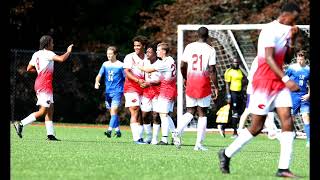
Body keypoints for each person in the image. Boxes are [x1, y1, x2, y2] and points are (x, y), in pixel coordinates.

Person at [218, 2, 301, 178]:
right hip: (264, 83)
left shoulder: (288, 30)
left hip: (278, 83)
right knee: (256, 127)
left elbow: (286, 57)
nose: (296, 22)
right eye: (294, 18)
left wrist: (292, 41)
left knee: (288, 121)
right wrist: (287, 79)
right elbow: (270, 58)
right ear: (285, 15)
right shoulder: (269, 30)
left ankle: (283, 168)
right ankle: (226, 154)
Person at [13, 35, 73, 141]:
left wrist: (40, 72)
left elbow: (28, 68)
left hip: (41, 83)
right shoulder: (48, 53)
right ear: (48, 44)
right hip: (44, 85)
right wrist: (68, 51)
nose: (53, 44)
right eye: (52, 42)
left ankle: (50, 135)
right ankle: (21, 124)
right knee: (43, 111)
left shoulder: (36, 53)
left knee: (50, 109)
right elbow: (62, 59)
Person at [174, 26, 219, 151]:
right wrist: (215, 86)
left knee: (190, 111)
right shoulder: (210, 49)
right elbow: (212, 70)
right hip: (203, 82)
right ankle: (198, 144)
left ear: (197, 35)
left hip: (191, 81)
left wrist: (185, 78)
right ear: (207, 35)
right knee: (202, 113)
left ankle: (177, 131)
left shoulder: (189, 47)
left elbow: (182, 65)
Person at [139, 42, 177, 145]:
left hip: (166, 90)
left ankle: (165, 139)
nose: (156, 52)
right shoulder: (170, 60)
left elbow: (148, 69)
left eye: (158, 50)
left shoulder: (165, 63)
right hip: (170, 89)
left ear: (163, 51)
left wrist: (137, 66)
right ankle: (175, 136)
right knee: (165, 115)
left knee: (163, 115)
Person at [238, 57, 279, 140]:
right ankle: (239, 130)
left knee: (265, 109)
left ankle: (271, 131)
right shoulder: (260, 59)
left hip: (261, 88)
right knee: (248, 110)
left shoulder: (265, 58)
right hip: (253, 89)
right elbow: (252, 77)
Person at [94, 46, 125, 138]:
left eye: (111, 54)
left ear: (115, 54)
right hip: (108, 92)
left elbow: (126, 78)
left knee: (114, 110)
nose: (109, 56)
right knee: (112, 113)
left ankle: (109, 130)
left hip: (117, 91)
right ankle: (118, 130)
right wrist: (97, 82)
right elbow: (99, 75)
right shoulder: (105, 64)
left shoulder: (121, 65)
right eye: (108, 54)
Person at [123, 35, 148, 144]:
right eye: (135, 46)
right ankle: (136, 138)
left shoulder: (149, 57)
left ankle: (141, 137)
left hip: (146, 87)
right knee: (135, 109)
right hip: (131, 87)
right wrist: (138, 81)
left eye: (138, 45)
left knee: (144, 113)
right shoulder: (130, 57)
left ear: (144, 46)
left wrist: (147, 82)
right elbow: (127, 72)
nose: (136, 47)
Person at [285, 50, 310, 147]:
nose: (299, 60)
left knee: (306, 117)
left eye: (301, 58)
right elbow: (284, 78)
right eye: (298, 58)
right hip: (293, 96)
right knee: (291, 118)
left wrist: (308, 95)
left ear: (305, 59)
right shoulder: (291, 68)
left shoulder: (308, 70)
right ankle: (292, 135)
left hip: (304, 97)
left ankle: (309, 140)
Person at [139, 43, 161, 144]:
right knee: (144, 115)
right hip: (147, 92)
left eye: (149, 52)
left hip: (158, 92)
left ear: (155, 53)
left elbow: (162, 80)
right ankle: (148, 135)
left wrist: (149, 83)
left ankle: (155, 139)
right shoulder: (144, 62)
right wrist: (142, 82)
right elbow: (142, 75)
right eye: (146, 52)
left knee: (156, 115)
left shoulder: (160, 64)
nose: (147, 54)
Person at [221, 58, 246, 138]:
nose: (236, 64)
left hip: (240, 93)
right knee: (234, 113)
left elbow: (243, 81)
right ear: (232, 63)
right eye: (235, 62)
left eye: (237, 62)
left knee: (240, 112)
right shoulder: (229, 71)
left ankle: (223, 126)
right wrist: (228, 95)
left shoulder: (240, 71)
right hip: (233, 93)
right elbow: (227, 85)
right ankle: (235, 132)